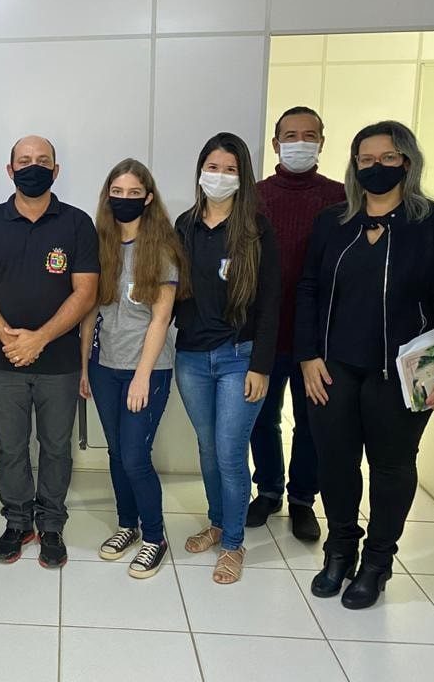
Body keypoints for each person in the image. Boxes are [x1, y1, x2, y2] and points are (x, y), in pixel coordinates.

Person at [296, 120, 434, 609]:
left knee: (392, 468)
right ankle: (339, 550)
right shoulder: (333, 222)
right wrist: (307, 354)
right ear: (354, 165)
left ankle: (377, 562)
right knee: (336, 463)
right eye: (366, 159)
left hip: (402, 373)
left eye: (388, 157)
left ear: (407, 162)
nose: (376, 166)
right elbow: (308, 289)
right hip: (333, 368)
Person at [0, 135, 99, 568]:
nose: (33, 167)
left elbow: (86, 292)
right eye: (24, 161)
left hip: (59, 363)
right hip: (3, 361)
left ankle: (52, 524)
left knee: (56, 448)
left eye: (43, 161)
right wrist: (10, 339)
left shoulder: (77, 223)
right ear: (10, 170)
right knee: (11, 448)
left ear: (56, 171)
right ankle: (18, 522)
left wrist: (39, 339)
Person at [173, 132, 281, 585]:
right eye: (213, 168)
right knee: (208, 448)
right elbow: (169, 292)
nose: (220, 176)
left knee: (231, 452)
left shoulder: (257, 229)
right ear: (201, 171)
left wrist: (261, 365)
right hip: (192, 358)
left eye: (230, 169)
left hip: (240, 357)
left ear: (243, 177)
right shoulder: (184, 226)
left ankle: (233, 544)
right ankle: (217, 522)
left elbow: (272, 303)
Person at [79, 159, 189, 579]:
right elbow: (90, 311)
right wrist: (85, 366)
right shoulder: (101, 245)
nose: (124, 199)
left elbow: (161, 319)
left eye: (133, 193)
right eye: (117, 192)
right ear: (108, 196)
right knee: (115, 453)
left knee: (135, 456)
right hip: (104, 367)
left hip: (147, 370)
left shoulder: (161, 249)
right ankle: (128, 525)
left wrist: (142, 376)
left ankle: (155, 538)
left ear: (148, 198)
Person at [247, 107, 345, 541]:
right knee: (262, 418)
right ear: (275, 144)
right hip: (264, 334)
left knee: (311, 421)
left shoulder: (342, 199)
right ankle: (268, 490)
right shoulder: (254, 197)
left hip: (318, 339)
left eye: (309, 135)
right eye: (290, 136)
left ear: (322, 142)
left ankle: (303, 499)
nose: (299, 143)